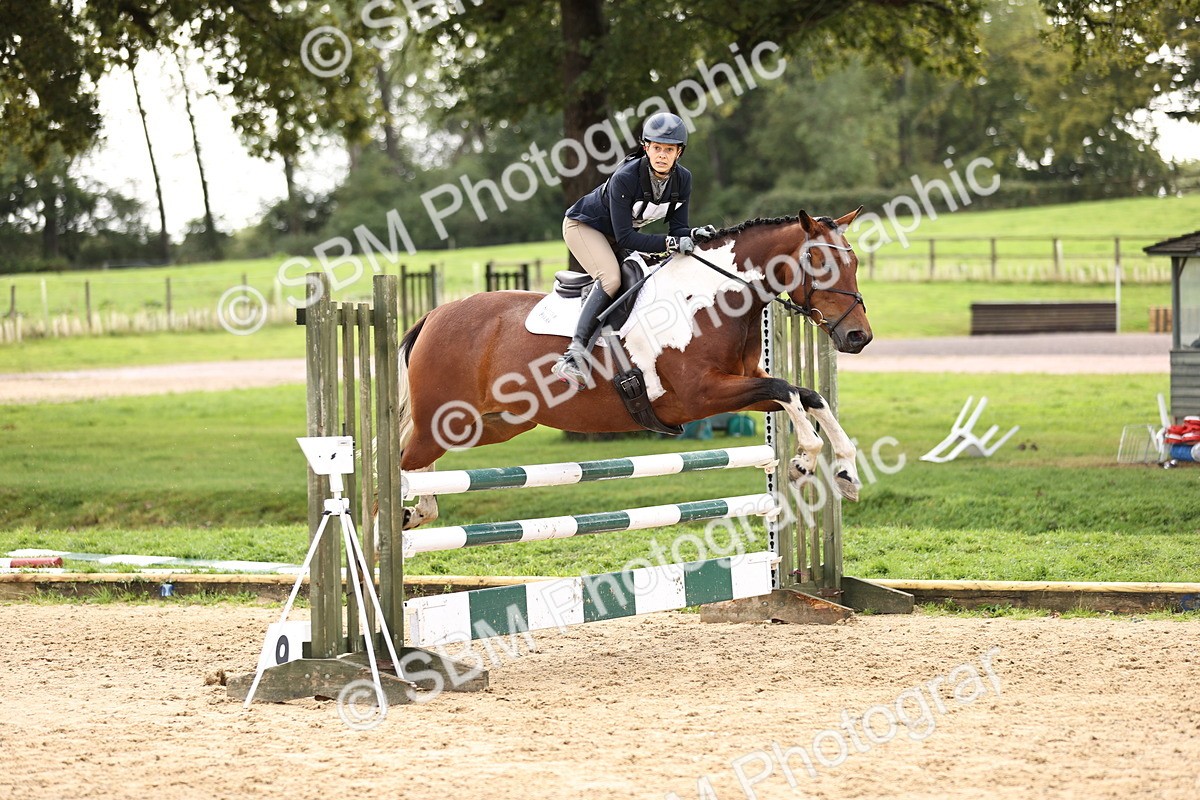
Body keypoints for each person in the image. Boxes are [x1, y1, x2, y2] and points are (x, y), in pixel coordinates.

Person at [552, 112, 718, 387]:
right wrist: (672, 243)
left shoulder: (683, 180)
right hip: (584, 228)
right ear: (645, 148)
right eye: (656, 148)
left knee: (647, 278)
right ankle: (573, 356)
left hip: (617, 237)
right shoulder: (626, 177)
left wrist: (693, 235)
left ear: (679, 152)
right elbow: (627, 237)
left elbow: (676, 230)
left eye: (668, 149)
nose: (661, 155)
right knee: (611, 279)